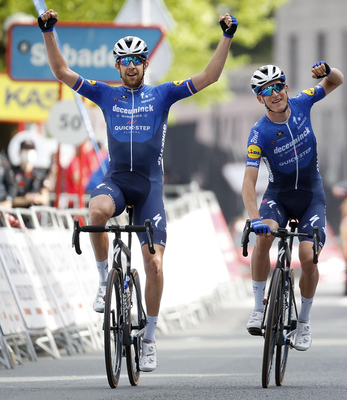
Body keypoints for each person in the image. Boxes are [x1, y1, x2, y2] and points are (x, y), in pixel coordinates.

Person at [38, 9, 238, 371]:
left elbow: (209, 77)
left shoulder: (162, 94)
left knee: (154, 264)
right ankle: (103, 281)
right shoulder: (105, 94)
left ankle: (148, 338)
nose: (131, 66)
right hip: (117, 180)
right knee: (96, 210)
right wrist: (49, 31)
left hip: (149, 188)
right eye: (125, 61)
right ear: (117, 66)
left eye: (137, 61)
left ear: (146, 64)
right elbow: (62, 73)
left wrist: (227, 36)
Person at [241, 62, 344, 351]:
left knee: (308, 257)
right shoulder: (258, 133)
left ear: (286, 87)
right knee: (264, 237)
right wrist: (254, 218)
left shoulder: (302, 102)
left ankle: (305, 322)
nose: (274, 93)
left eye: (277, 86)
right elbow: (249, 182)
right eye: (265, 91)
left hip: (311, 197)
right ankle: (259, 307)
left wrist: (327, 70)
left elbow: (337, 81)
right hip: (279, 197)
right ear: (259, 98)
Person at [12, 140, 49, 208]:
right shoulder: (12, 172)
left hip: (35, 216)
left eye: (31, 150)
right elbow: (8, 199)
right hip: (16, 215)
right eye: (25, 150)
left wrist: (35, 198)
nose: (28, 153)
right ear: (20, 152)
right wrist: (25, 200)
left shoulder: (40, 174)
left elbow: (45, 198)